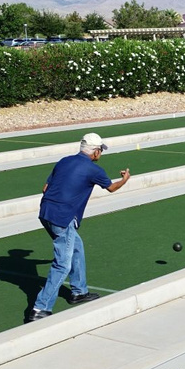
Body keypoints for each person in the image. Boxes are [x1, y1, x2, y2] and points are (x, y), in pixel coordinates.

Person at [27, 133, 131, 322]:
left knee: (76, 246)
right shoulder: (93, 169)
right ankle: (40, 308)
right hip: (62, 217)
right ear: (95, 152)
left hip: (45, 212)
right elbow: (111, 188)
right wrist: (124, 179)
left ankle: (79, 291)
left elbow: (45, 188)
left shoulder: (64, 161)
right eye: (100, 150)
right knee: (62, 264)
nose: (101, 154)